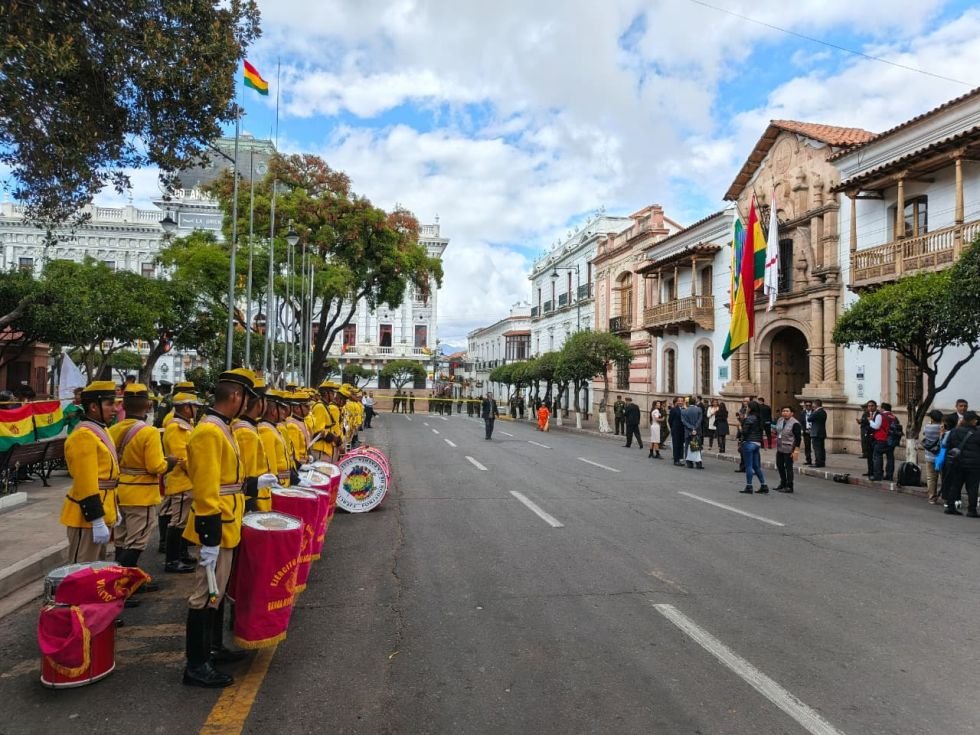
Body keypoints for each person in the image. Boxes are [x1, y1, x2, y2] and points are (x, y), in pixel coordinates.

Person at [182, 368, 276, 688]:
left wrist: (254, 484)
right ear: (236, 396)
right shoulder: (210, 431)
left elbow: (227, 479)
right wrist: (209, 538)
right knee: (204, 595)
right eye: (247, 398)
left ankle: (212, 648)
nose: (249, 405)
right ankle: (196, 664)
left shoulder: (222, 428)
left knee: (216, 594)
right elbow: (206, 488)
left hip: (226, 523)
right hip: (216, 526)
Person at [109, 383, 179, 593]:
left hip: (119, 491)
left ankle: (129, 581)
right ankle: (121, 586)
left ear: (124, 405)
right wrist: (170, 463)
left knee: (121, 539)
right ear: (148, 405)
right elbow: (155, 466)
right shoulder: (148, 432)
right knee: (137, 542)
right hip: (141, 493)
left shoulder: (113, 429)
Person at [60, 381, 119, 563]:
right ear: (94, 407)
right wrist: (96, 520)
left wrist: (114, 509)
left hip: (103, 510)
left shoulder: (100, 430)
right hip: (87, 517)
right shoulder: (83, 436)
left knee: (96, 571)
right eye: (110, 404)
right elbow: (86, 483)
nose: (115, 409)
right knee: (81, 569)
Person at [161, 392, 201, 573]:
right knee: (177, 522)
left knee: (184, 521)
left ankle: (182, 553)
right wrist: (198, 474)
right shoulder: (176, 428)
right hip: (181, 481)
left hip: (187, 481)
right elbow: (182, 458)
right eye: (194, 406)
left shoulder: (185, 425)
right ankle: (172, 560)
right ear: (186, 408)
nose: (197, 410)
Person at [942, 411, 980, 516]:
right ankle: (972, 510)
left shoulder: (954, 431)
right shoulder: (978, 433)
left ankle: (950, 507)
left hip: (957, 463)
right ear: (972, 421)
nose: (976, 421)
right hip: (973, 465)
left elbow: (947, 444)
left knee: (955, 485)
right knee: (972, 487)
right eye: (975, 419)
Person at [738, 401, 769, 494]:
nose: (746, 408)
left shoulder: (750, 418)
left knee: (749, 466)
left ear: (750, 408)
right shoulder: (759, 418)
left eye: (747, 407)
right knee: (756, 466)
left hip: (749, 442)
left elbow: (744, 431)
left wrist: (740, 428)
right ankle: (763, 485)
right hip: (757, 443)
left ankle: (749, 486)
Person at [774, 406, 802, 493]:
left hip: (789, 448)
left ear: (792, 413)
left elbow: (798, 438)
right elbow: (777, 430)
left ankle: (789, 486)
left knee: (788, 467)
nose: (785, 413)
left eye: (787, 411)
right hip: (780, 447)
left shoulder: (795, 423)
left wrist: (796, 450)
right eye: (783, 411)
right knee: (779, 465)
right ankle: (783, 483)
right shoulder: (780, 420)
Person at [921, 409, 944, 505]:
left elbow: (924, 434)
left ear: (932, 418)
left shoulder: (927, 427)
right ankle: (944, 496)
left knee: (931, 477)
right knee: (943, 477)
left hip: (929, 456)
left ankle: (932, 497)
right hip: (941, 456)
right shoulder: (942, 428)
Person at [870, 401, 897, 482]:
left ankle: (877, 475)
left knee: (877, 456)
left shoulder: (880, 415)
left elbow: (876, 426)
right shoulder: (893, 417)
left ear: (882, 408)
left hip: (881, 439)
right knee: (890, 458)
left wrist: (870, 421)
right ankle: (889, 475)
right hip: (891, 440)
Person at [681, 397, 703, 468]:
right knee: (697, 446)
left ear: (688, 403)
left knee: (687, 446)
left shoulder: (684, 411)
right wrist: (695, 428)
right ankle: (698, 463)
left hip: (688, 431)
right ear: (695, 402)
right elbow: (700, 420)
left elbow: (684, 421)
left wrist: (691, 428)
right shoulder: (699, 409)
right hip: (697, 431)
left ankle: (689, 463)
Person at [810, 400, 828, 467]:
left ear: (816, 404)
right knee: (821, 448)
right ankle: (822, 462)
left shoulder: (817, 412)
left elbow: (809, 418)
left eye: (813, 404)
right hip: (822, 432)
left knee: (817, 449)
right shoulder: (823, 412)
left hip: (816, 433)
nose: (812, 406)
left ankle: (818, 462)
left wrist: (813, 411)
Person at [668, 397, 685, 466]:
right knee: (676, 445)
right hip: (675, 430)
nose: (680, 402)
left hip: (682, 430)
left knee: (681, 445)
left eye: (681, 401)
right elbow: (670, 420)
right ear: (677, 402)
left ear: (683, 402)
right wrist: (673, 428)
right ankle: (676, 460)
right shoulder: (673, 409)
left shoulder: (684, 409)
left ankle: (680, 459)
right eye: (679, 401)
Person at [801, 401, 814, 465]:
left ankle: (817, 460)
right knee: (807, 446)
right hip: (806, 431)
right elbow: (801, 422)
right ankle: (808, 460)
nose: (808, 407)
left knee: (815, 446)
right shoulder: (803, 413)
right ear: (805, 406)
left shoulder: (814, 412)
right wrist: (803, 429)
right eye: (807, 405)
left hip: (813, 431)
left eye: (809, 405)